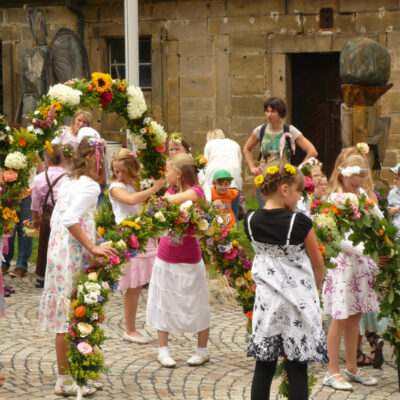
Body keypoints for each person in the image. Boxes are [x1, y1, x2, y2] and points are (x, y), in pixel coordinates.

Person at [38, 135, 117, 396]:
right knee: (69, 316)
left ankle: (78, 373)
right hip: (70, 254)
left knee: (76, 313)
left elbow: (57, 220)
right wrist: (92, 247)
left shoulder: (71, 181)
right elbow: (71, 218)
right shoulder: (90, 186)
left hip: (60, 251)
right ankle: (64, 379)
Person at [244, 161, 327, 400]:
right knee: (297, 366)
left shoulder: (250, 220)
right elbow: (317, 261)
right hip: (297, 303)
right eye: (299, 191)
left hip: (267, 303)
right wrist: (317, 289)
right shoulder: (299, 223)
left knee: (264, 365)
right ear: (284, 189)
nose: (300, 196)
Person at [322, 152, 382, 390]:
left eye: (360, 184)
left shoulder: (362, 195)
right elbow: (337, 237)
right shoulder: (335, 199)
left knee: (355, 315)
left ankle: (352, 368)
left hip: (360, 268)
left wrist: (370, 201)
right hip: (343, 266)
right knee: (340, 316)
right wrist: (365, 250)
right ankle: (332, 369)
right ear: (342, 176)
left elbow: (377, 220)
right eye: (353, 184)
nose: (356, 188)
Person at [146, 153, 210, 368]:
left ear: (179, 174)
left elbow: (170, 201)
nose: (167, 175)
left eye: (169, 171)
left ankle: (202, 349)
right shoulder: (170, 190)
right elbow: (163, 202)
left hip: (190, 258)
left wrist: (161, 197)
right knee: (163, 302)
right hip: (166, 256)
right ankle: (163, 349)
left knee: (197, 302)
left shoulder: (197, 192)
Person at [108, 148, 164, 344]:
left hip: (142, 233)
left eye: (123, 171)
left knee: (146, 283)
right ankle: (130, 329)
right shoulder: (115, 187)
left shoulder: (133, 184)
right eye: (116, 171)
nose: (120, 175)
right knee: (134, 285)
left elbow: (139, 203)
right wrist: (155, 188)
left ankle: (160, 324)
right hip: (128, 235)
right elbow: (131, 200)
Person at [243, 97, 318, 208]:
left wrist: (299, 170)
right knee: (266, 210)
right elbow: (246, 148)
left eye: (273, 111)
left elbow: (312, 151)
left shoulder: (289, 130)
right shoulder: (261, 130)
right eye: (267, 111)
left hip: (283, 177)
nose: (269, 114)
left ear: (280, 113)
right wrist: (252, 167)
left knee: (282, 209)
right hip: (264, 178)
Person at [31, 144, 68, 289]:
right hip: (64, 214)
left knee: (44, 243)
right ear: (63, 159)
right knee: (61, 245)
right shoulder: (69, 177)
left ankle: (41, 276)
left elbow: (35, 202)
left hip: (46, 213)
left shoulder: (40, 178)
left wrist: (35, 219)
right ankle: (60, 274)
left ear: (47, 160)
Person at [204, 129, 242, 224]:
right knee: (233, 214)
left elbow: (204, 164)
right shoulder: (234, 144)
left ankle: (214, 235)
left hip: (214, 182)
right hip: (233, 181)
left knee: (211, 214)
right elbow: (239, 164)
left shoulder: (209, 144)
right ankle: (233, 235)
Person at [388, 162, 400, 240]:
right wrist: (390, 211)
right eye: (394, 178)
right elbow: (387, 212)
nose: (394, 181)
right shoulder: (392, 193)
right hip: (397, 236)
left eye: (397, 179)